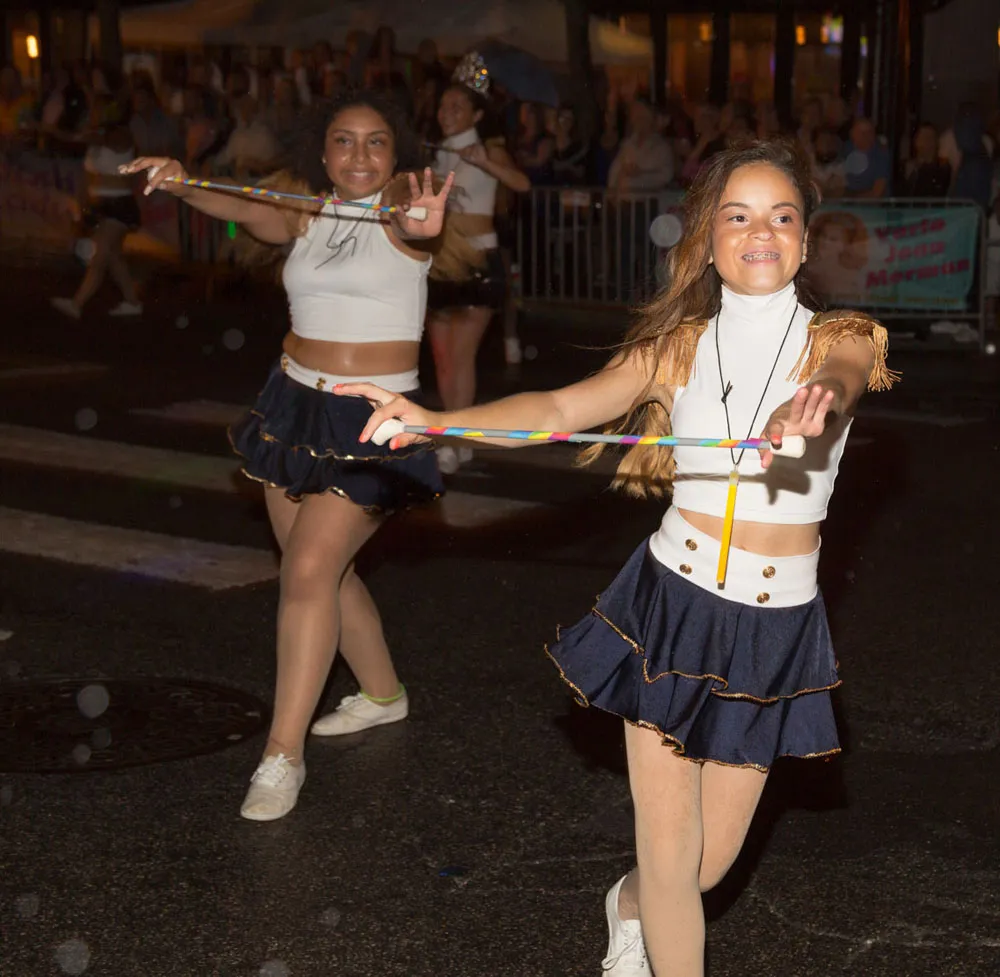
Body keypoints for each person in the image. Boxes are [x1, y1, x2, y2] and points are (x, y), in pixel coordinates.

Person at [339, 138, 896, 976]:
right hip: (672, 605)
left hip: (773, 626)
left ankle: (627, 903)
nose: (761, 233)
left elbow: (845, 375)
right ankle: (655, 913)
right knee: (674, 857)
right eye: (738, 216)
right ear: (707, 239)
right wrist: (438, 421)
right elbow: (557, 407)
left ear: (806, 240)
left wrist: (814, 398)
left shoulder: (843, 338)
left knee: (706, 865)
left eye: (782, 217)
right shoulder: (676, 350)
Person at [120, 90, 454, 821]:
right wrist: (181, 181)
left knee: (306, 572)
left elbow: (419, 227)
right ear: (323, 154)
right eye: (344, 140)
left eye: (376, 141)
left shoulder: (402, 220)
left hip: (371, 422)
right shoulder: (307, 214)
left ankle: (281, 753)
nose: (359, 154)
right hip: (293, 403)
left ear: (396, 157)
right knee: (325, 573)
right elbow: (240, 208)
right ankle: (383, 694)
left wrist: (422, 221)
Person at [427, 54, 530, 474]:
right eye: (443, 105)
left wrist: (483, 161)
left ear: (476, 114)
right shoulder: (436, 153)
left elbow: (522, 183)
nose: (446, 112)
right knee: (442, 358)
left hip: (478, 260)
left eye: (457, 106)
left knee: (461, 356)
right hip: (441, 261)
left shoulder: (488, 148)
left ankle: (452, 439)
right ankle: (458, 438)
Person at [50, 95, 143, 319]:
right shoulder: (95, 140)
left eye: (97, 109)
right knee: (113, 257)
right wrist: (81, 207)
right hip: (100, 206)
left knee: (100, 254)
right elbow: (87, 176)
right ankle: (133, 302)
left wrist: (50, 130)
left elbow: (81, 138)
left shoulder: (121, 136)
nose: (92, 113)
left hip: (119, 206)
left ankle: (77, 303)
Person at [901, 123, 951, 198]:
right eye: (923, 137)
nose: (927, 142)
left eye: (930, 138)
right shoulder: (906, 168)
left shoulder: (943, 170)